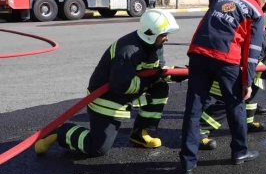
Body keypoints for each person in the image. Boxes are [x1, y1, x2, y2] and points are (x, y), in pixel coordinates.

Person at [34, 10, 183, 157]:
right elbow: (121, 85)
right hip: (106, 98)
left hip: (128, 92)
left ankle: (139, 133)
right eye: (163, 35)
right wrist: (151, 80)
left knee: (160, 88)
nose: (167, 38)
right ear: (151, 35)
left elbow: (156, 71)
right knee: (97, 148)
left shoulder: (155, 46)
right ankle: (59, 132)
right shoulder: (128, 51)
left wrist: (176, 74)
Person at [179, 0, 266, 174]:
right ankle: (239, 151)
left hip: (199, 52)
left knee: (193, 108)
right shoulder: (256, 11)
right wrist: (247, 81)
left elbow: (205, 23)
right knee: (236, 105)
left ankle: (187, 163)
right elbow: (252, 51)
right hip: (227, 57)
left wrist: (195, 51)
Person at [198, 5, 266, 149]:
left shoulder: (264, 34)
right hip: (228, 74)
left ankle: (247, 123)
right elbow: (250, 67)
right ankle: (199, 132)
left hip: (232, 71)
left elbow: (257, 61)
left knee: (252, 90)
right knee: (224, 104)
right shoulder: (262, 38)